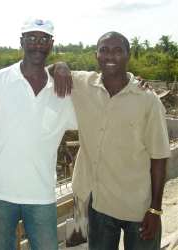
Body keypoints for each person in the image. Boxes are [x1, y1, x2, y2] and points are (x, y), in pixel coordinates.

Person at [52, 31, 171, 250]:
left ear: (128, 55)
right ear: (96, 55)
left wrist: (155, 209)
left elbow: (159, 157)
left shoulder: (147, 100)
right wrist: (59, 65)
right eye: (104, 50)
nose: (110, 56)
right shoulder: (83, 84)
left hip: (138, 205)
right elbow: (47, 72)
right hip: (99, 205)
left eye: (118, 50)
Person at [0, 18, 77, 250]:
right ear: (21, 42)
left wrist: (135, 83)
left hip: (42, 197)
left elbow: (100, 89)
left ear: (51, 44)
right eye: (32, 38)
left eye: (43, 39)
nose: (37, 44)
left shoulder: (63, 90)